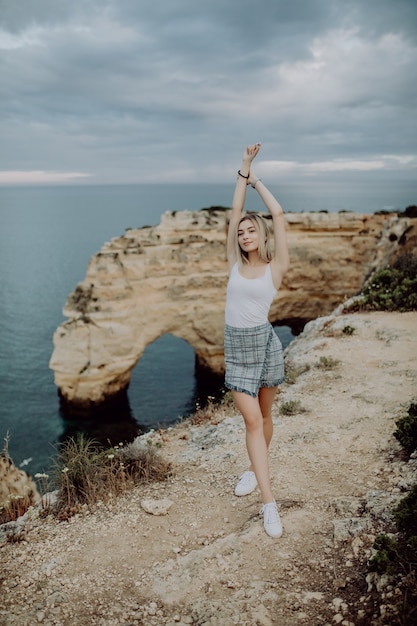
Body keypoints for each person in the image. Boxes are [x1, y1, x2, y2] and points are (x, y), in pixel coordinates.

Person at [224, 143, 290, 538]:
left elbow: (278, 213)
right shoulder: (234, 261)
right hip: (238, 349)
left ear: (261, 233)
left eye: (251, 230)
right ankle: (269, 503)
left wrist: (257, 179)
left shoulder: (274, 267)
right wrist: (242, 169)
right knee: (250, 419)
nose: (245, 234)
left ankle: (253, 469)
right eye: (242, 231)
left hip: (266, 346)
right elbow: (235, 212)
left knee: (265, 418)